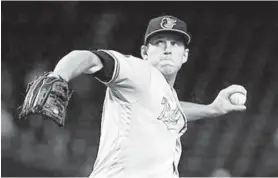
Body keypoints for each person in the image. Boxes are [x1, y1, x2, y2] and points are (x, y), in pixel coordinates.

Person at [48, 15, 247, 178]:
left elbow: (172, 109)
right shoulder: (139, 72)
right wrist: (58, 77)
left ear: (184, 55)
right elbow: (88, 58)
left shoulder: (162, 94)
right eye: (159, 43)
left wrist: (212, 109)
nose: (167, 49)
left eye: (175, 44)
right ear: (145, 52)